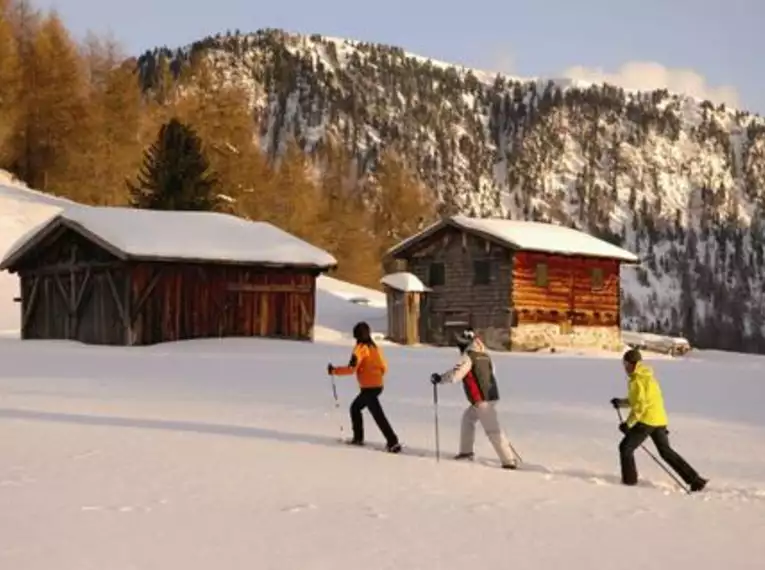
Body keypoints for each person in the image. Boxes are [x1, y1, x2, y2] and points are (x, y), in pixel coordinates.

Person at [610, 348, 708, 492]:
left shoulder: (637, 380)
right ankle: (695, 480)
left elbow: (640, 406)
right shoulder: (647, 377)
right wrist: (622, 402)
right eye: (624, 364)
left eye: (627, 364)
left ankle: (629, 482)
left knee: (625, 448)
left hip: (647, 421)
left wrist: (628, 424)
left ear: (635, 364)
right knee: (666, 452)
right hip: (659, 420)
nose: (625, 367)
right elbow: (638, 400)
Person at [430, 328, 518, 469]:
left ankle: (508, 461)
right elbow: (491, 374)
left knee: (493, 430)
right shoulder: (485, 355)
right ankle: (466, 452)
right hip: (490, 397)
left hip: (481, 400)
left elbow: (455, 376)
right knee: (468, 419)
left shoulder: (469, 357)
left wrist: (440, 378)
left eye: (460, 343)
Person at [327, 321, 402, 453]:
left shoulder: (360, 349)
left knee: (377, 415)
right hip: (378, 385)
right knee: (356, 408)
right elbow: (384, 366)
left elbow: (351, 369)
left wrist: (334, 371)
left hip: (369, 388)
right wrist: (377, 376)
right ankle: (360, 438)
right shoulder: (375, 347)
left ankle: (392, 441)